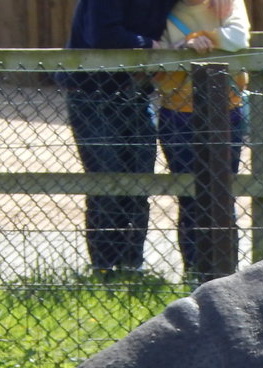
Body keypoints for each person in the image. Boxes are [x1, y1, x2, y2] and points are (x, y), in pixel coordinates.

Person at [62, 0, 178, 275]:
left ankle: (132, 267)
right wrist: (150, 46)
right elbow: (102, 34)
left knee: (139, 182)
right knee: (108, 181)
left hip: (136, 92)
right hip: (92, 93)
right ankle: (103, 269)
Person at [152, 0, 249, 278]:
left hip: (227, 109)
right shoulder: (162, 8)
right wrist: (182, 50)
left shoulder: (228, 4)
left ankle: (227, 274)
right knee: (190, 194)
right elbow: (158, 54)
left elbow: (239, 38)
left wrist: (199, 39)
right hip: (178, 112)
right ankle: (194, 271)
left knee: (222, 194)